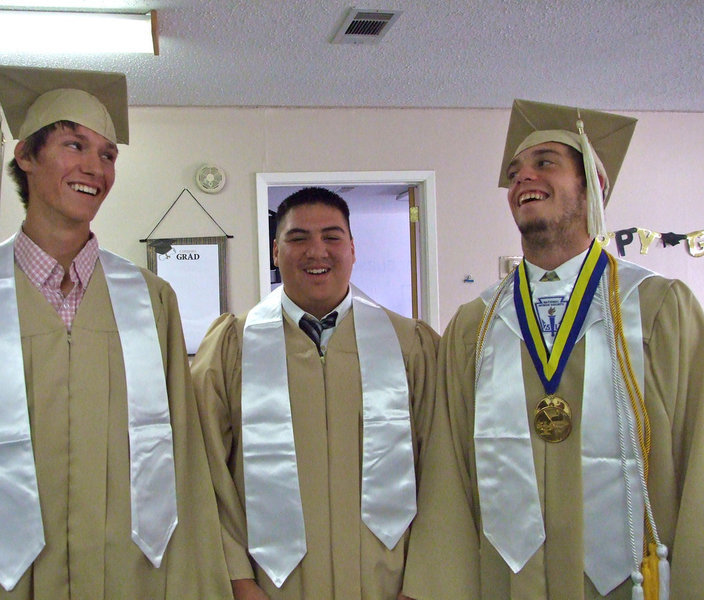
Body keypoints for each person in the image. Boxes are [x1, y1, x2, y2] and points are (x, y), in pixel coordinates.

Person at [0, 65, 231, 599]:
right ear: (25, 156)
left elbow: (185, 465)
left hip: (134, 582)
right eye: (74, 145)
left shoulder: (150, 303)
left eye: (108, 154)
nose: (95, 168)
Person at [400, 99, 704, 599]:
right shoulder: (476, 323)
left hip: (630, 579)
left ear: (594, 186)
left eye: (545, 162)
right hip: (508, 581)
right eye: (515, 172)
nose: (523, 177)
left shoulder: (658, 307)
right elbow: (447, 469)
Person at [191, 187, 439, 599]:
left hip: (388, 582)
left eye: (331, 237)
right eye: (298, 238)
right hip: (268, 585)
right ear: (276, 252)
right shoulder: (232, 347)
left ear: (353, 249)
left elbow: (441, 467)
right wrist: (237, 578)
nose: (316, 251)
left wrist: (423, 584)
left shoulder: (409, 345)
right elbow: (202, 468)